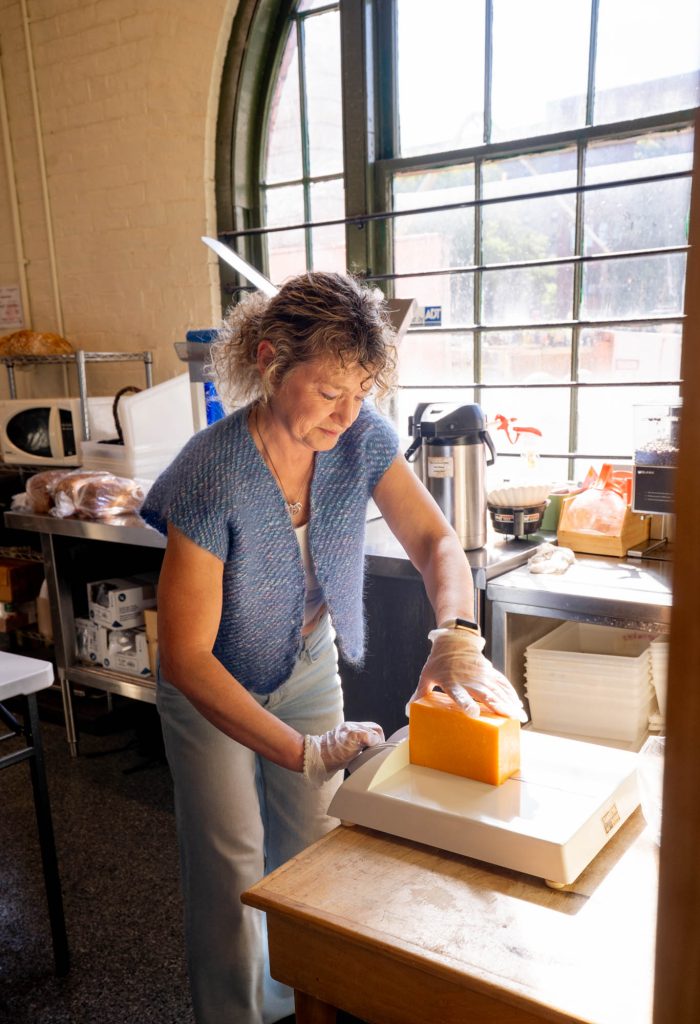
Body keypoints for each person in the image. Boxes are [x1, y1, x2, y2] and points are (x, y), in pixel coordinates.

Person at [140, 271, 525, 1024]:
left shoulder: (361, 436)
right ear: (270, 360)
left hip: (307, 663)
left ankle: (298, 1004)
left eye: (362, 391)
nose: (348, 416)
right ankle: (233, 1015)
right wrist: (298, 750)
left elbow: (435, 540)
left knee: (310, 850)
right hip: (212, 686)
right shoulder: (212, 474)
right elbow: (184, 657)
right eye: (328, 393)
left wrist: (456, 637)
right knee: (230, 865)